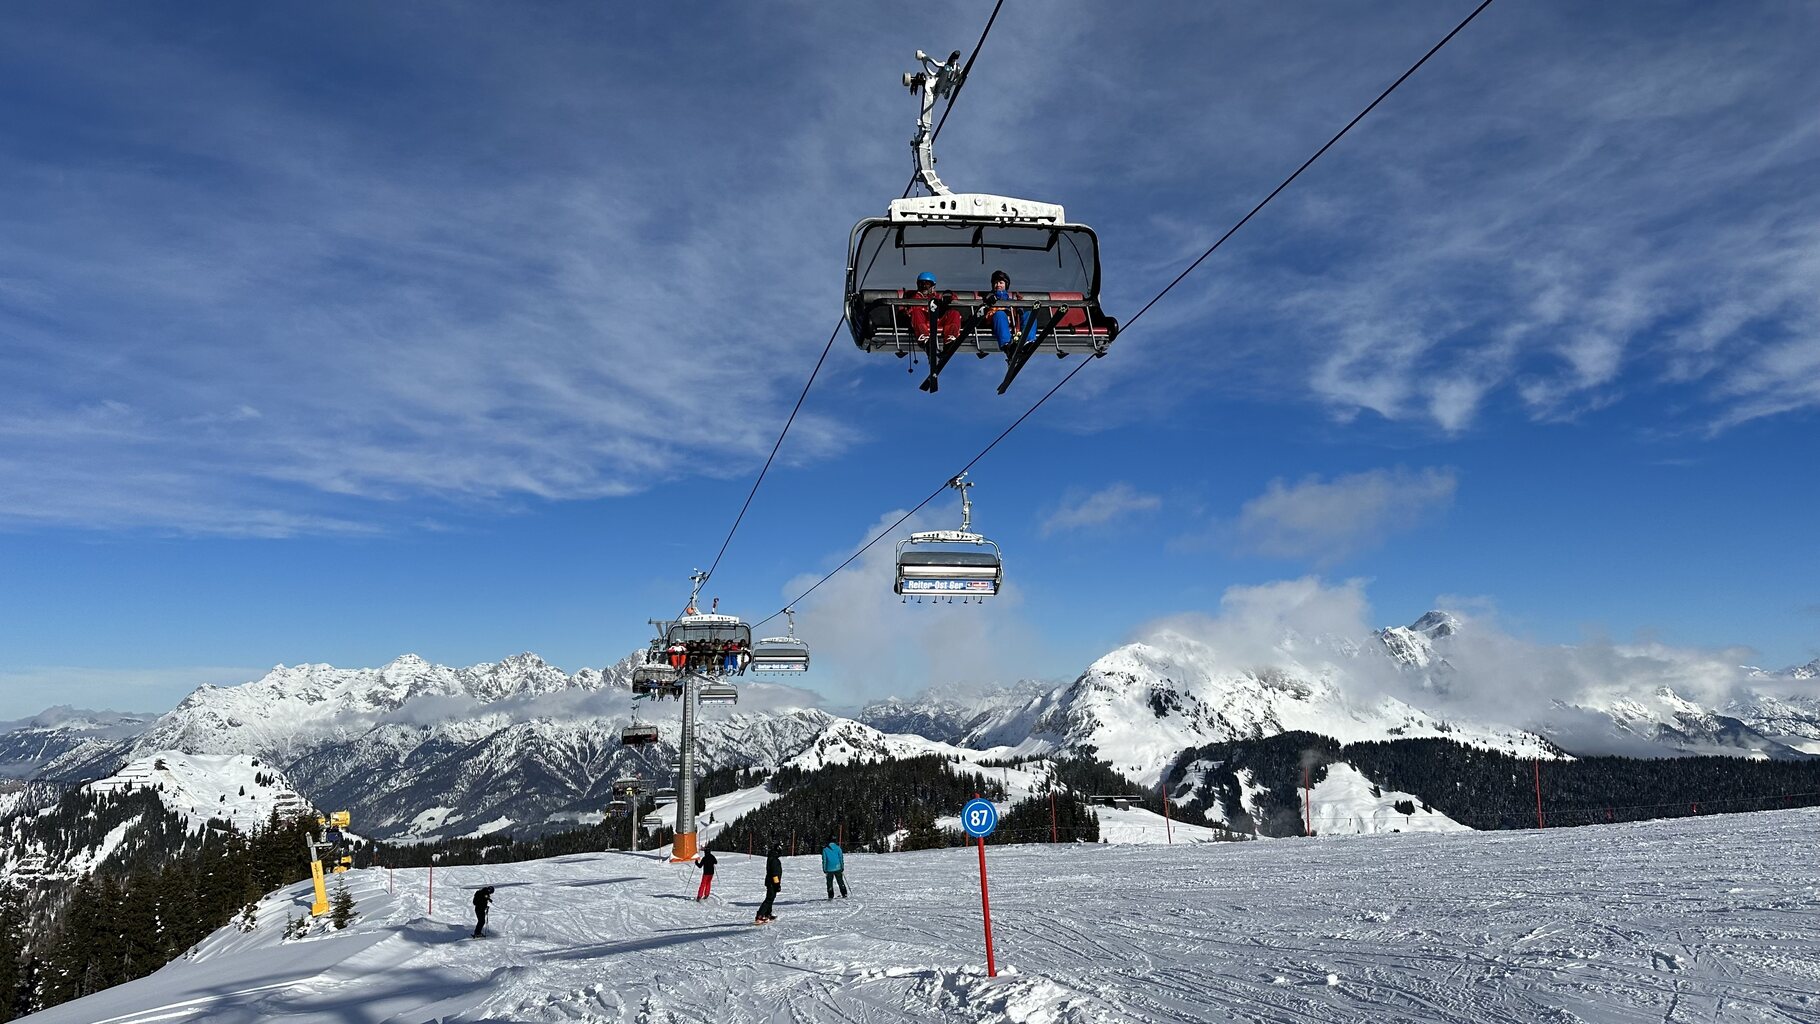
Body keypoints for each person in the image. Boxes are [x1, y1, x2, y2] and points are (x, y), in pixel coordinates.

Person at [906, 271, 963, 347]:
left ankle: (950, 339)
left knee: (954, 313)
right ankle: (924, 339)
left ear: (933, 286)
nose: (924, 287)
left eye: (927, 284)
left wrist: (949, 298)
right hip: (923, 321)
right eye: (921, 284)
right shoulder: (913, 297)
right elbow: (911, 311)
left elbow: (953, 298)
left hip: (937, 320)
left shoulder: (938, 297)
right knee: (916, 312)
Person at [985, 269, 1035, 355]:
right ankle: (1007, 345)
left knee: (1029, 315)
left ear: (1005, 285)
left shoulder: (1011, 300)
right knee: (1000, 314)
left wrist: (1019, 308)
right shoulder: (989, 298)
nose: (998, 285)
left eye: (1001, 283)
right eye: (996, 283)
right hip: (998, 321)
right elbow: (987, 313)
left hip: (1012, 321)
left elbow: (1017, 313)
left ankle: (1028, 341)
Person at [754, 843, 783, 923]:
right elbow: (774, 873)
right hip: (772, 882)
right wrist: (777, 884)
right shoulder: (774, 859)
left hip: (771, 881)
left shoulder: (772, 857)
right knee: (769, 899)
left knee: (771, 898)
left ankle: (767, 914)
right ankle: (760, 915)